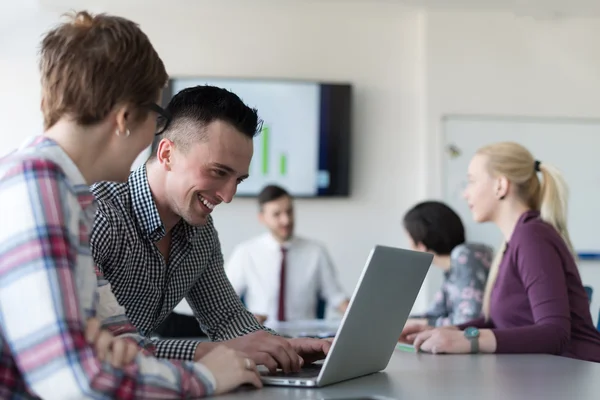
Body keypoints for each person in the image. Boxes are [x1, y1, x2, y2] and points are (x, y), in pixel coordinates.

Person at [0, 11, 262, 399]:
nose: (155, 137)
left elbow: (118, 341)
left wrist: (112, 352)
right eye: (157, 116)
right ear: (124, 117)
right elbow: (75, 383)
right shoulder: (39, 185)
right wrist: (206, 377)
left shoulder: (70, 195)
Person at [90, 85, 331, 374]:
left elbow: (227, 319)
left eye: (238, 180)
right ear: (167, 154)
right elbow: (95, 346)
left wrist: (285, 346)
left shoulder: (200, 232)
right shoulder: (98, 216)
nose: (228, 196)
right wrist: (209, 351)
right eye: (219, 172)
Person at [400, 142, 600, 363]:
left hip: (578, 378)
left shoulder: (532, 236)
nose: (466, 194)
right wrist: (442, 331)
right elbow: (496, 323)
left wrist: (468, 340)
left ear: (501, 186)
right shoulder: (514, 241)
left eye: (472, 181)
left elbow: (555, 333)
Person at [226, 184, 350, 323]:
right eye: (277, 214)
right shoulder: (245, 252)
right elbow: (225, 301)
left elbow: (336, 296)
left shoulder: (316, 251)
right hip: (261, 334)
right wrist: (245, 320)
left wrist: (360, 315)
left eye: (289, 211)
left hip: (304, 337)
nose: (286, 220)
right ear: (262, 218)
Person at [402, 201, 493, 329]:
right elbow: (434, 313)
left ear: (421, 244)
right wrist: (397, 322)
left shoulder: (465, 256)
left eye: (409, 239)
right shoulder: (453, 269)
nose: (408, 246)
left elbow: (468, 320)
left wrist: (421, 324)